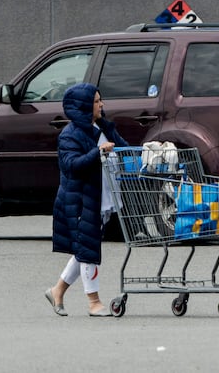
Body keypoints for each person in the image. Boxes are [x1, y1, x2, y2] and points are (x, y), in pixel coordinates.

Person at [44, 83, 128, 317]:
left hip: (100, 197)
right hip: (80, 199)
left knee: (85, 247)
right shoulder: (69, 135)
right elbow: (71, 165)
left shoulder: (102, 127)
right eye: (96, 101)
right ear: (83, 105)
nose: (102, 105)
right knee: (88, 248)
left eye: (101, 100)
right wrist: (98, 153)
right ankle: (94, 302)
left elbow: (123, 149)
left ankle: (57, 290)